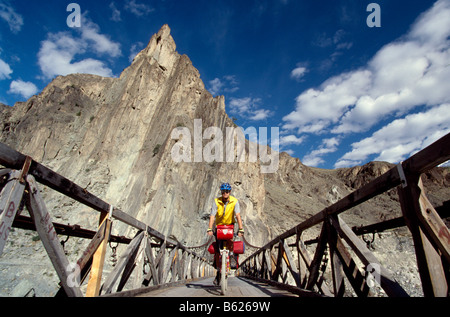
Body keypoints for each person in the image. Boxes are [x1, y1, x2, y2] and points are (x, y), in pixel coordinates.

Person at [207, 183, 244, 285]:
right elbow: (212, 216)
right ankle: (219, 271)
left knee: (230, 242)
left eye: (227, 192)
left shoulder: (234, 201)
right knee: (219, 250)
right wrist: (210, 228)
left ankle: (231, 255)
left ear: (230, 192)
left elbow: (238, 215)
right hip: (219, 227)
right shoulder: (216, 201)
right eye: (223, 192)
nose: (225, 194)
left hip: (230, 226)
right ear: (221, 192)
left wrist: (241, 229)